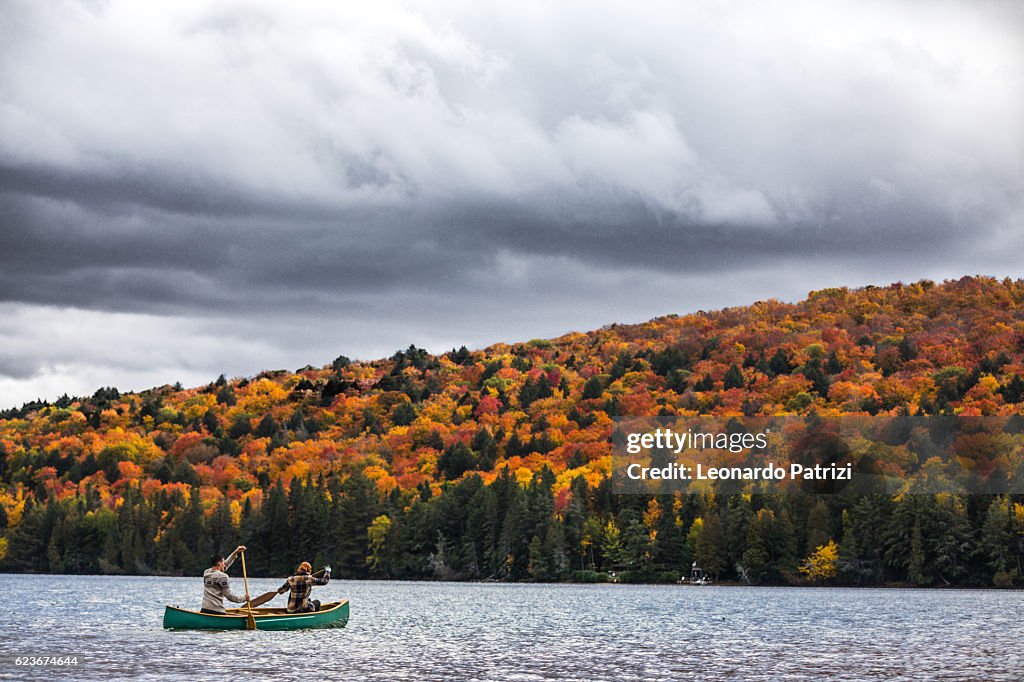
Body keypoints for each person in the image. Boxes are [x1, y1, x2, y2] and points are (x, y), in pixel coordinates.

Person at [201, 545, 247, 614]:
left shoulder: (206, 573)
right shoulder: (223, 577)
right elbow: (229, 596)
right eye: (223, 562)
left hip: (204, 609)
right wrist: (244, 598)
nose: (224, 564)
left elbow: (224, 566)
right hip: (217, 611)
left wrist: (235, 553)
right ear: (219, 564)